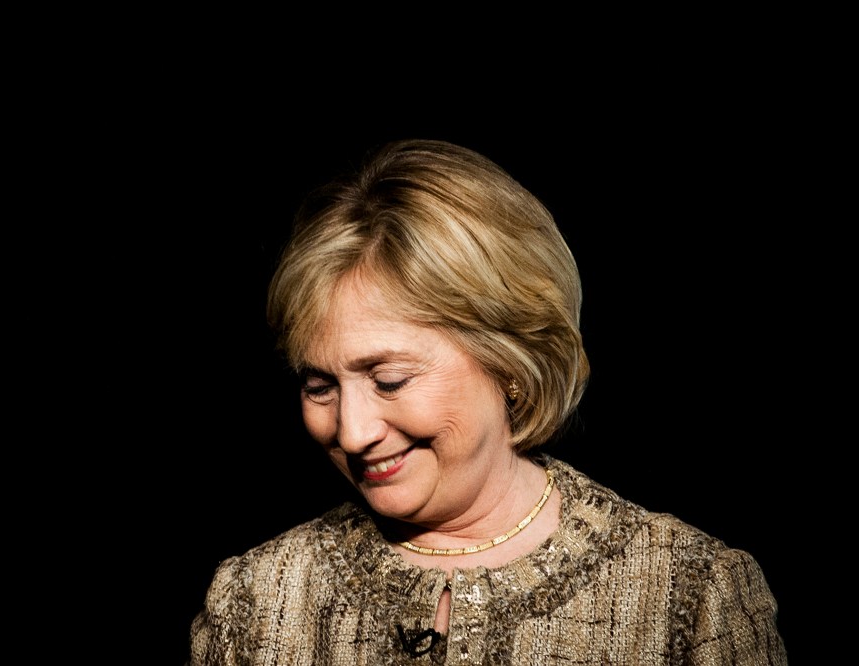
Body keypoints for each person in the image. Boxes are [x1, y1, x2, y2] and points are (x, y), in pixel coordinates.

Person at [188, 139, 787, 664]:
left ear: (510, 364)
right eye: (319, 386)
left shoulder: (693, 595)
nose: (351, 432)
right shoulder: (256, 601)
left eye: (390, 379)